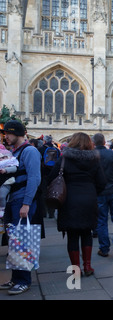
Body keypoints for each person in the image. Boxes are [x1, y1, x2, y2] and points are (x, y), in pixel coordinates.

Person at [48, 132, 106, 277]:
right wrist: (92, 191)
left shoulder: (64, 159)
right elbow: (102, 182)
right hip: (89, 199)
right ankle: (87, 266)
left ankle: (76, 269)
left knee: (72, 235)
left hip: (69, 201)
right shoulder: (94, 160)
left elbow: (51, 177)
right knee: (87, 233)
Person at [0, 120, 41, 295]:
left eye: (8, 133)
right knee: (14, 242)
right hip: (12, 201)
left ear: (16, 133)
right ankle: (16, 278)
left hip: (21, 202)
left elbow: (34, 178)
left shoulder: (30, 151)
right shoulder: (13, 152)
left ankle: (24, 280)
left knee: (23, 241)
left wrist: (26, 203)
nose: (5, 137)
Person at [38, 135, 61, 218]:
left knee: (43, 193)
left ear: (44, 141)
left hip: (43, 174)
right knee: (52, 193)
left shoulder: (40, 149)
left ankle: (44, 213)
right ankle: (51, 213)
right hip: (53, 175)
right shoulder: (57, 150)